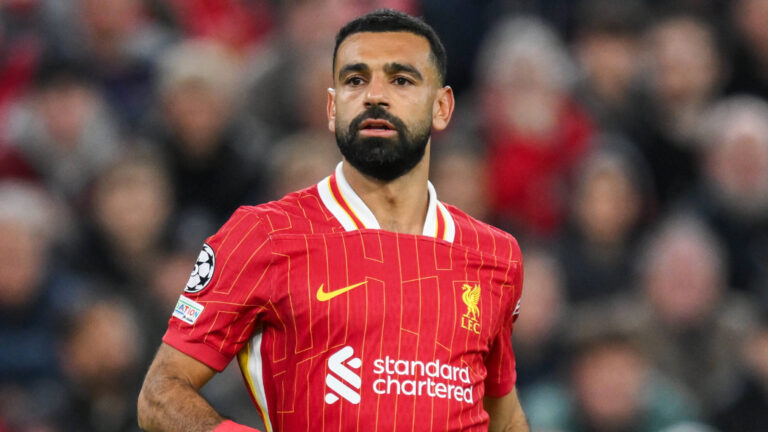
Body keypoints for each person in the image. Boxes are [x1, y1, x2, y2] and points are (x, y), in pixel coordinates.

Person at [137, 9, 528, 432]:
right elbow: (160, 395)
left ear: (442, 107)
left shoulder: (495, 255)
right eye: (355, 80)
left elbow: (504, 418)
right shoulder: (262, 236)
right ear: (331, 107)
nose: (374, 96)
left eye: (401, 80)